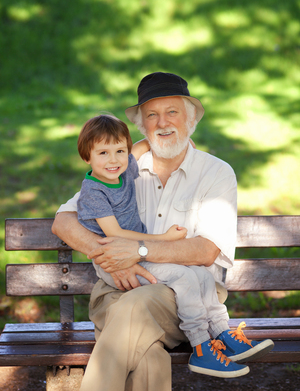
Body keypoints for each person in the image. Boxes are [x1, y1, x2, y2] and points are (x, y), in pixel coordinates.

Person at [52, 72, 274, 391]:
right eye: (152, 115)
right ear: (142, 126)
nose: (162, 122)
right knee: (146, 355)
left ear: (191, 119)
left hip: (184, 302)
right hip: (115, 292)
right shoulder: (121, 169)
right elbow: (64, 221)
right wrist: (116, 258)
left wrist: (138, 252)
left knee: (135, 309)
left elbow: (206, 250)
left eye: (172, 112)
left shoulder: (216, 173)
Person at [76, 113, 251, 378]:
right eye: (152, 116)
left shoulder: (123, 169)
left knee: (148, 348)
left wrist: (154, 140)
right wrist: (162, 240)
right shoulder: (96, 188)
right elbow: (83, 227)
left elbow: (134, 149)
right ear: (87, 157)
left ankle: (221, 332)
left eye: (119, 151)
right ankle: (202, 348)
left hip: (154, 281)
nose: (113, 159)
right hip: (121, 269)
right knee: (150, 300)